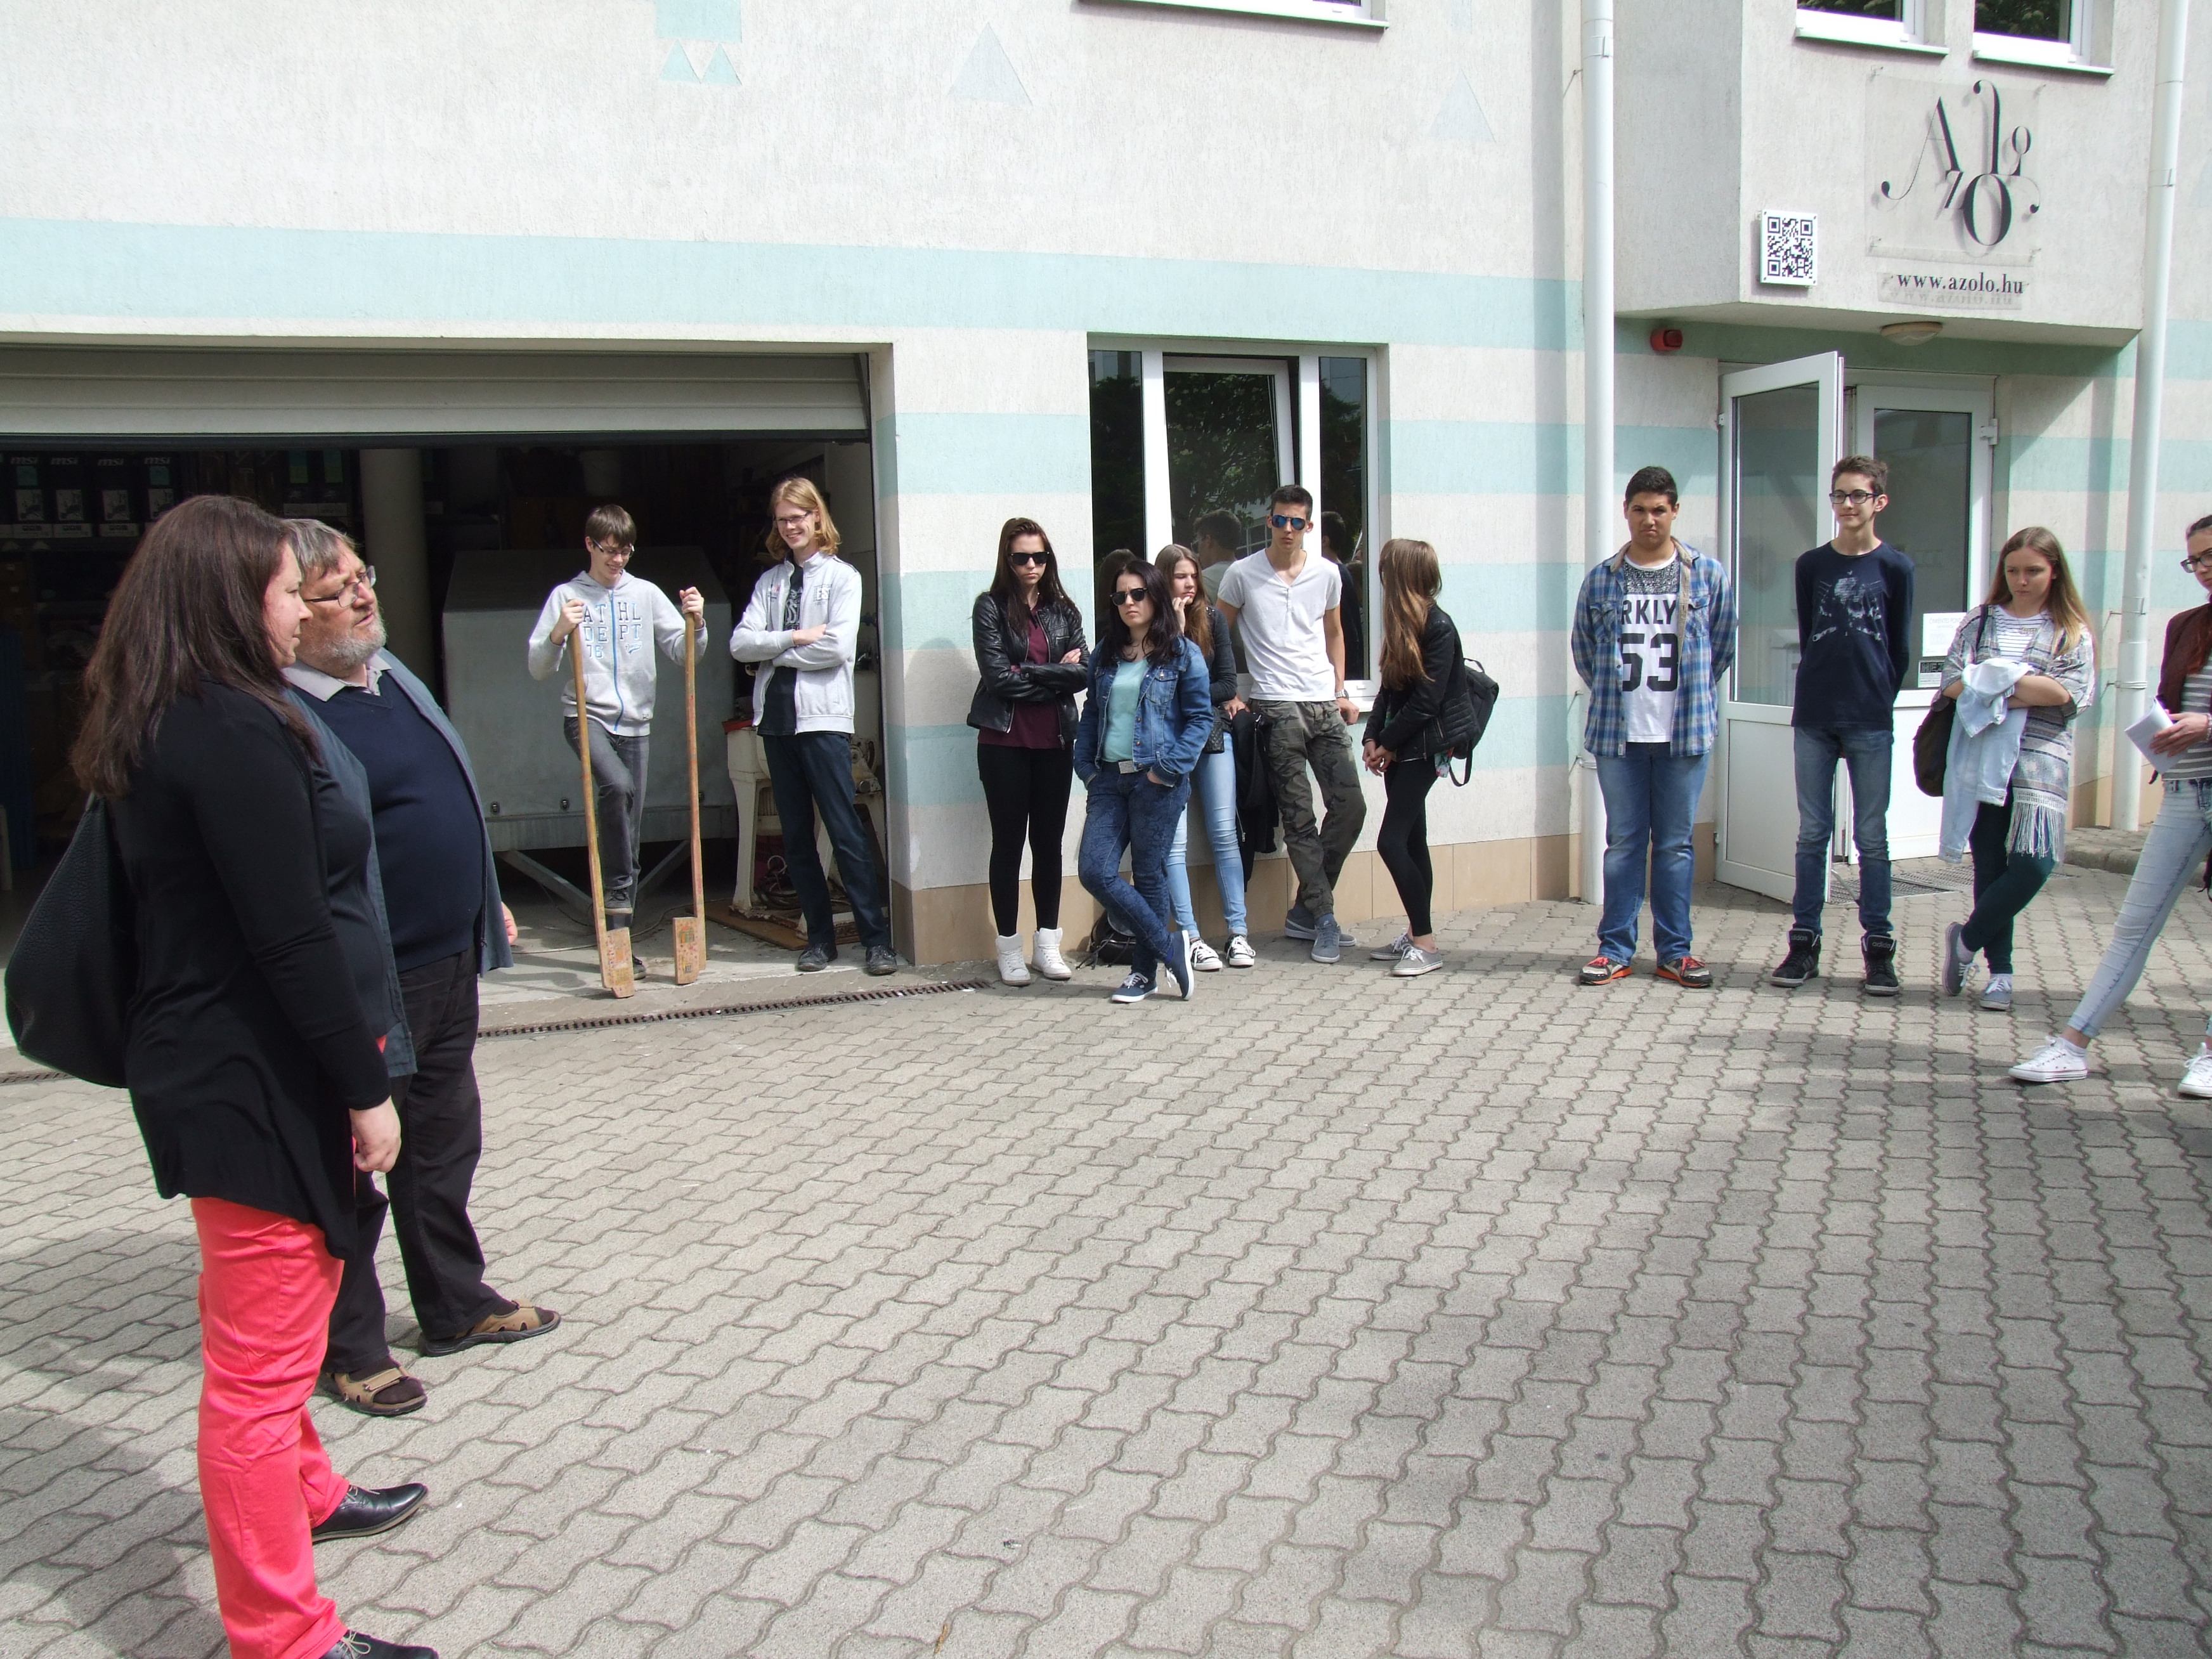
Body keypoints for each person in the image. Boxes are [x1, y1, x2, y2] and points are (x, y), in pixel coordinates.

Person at [74, 495, 436, 1659]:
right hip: (250, 1078)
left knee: (271, 1319)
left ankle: (309, 1494)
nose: (299, 609)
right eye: (286, 590)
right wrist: (366, 1089)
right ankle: (282, 1635)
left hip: (219, 1065)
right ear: (231, 599)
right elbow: (291, 939)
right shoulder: (231, 731)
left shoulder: (170, 714)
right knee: (258, 1375)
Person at [283, 520, 559, 1418]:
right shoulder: (282, 715)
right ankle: (350, 1347)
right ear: (288, 612)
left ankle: (453, 1304)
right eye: (336, 590)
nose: (364, 594)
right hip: (365, 986)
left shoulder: (389, 675)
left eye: (362, 575)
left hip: (444, 964)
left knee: (442, 1146)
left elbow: (445, 796)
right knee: (353, 1166)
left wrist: (482, 895)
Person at [2012, 512, 2212, 1090]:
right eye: (2194, 560)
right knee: (2135, 924)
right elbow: (2173, 701)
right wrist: (2165, 729)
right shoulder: (2186, 625)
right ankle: (2072, 1045)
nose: (2202, 569)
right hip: (2184, 791)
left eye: (2210, 557)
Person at [1570, 465, 1738, 987]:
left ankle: (1675, 952)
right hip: (1618, 734)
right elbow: (1584, 651)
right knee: (1623, 844)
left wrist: (1691, 694)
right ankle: (1615, 949)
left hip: (1683, 734)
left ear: (1675, 512)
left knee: (1675, 846)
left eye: (1659, 510)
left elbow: (1721, 646)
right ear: (1626, 511)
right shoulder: (1602, 579)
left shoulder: (1707, 575)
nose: (1650, 520)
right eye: (1640, 510)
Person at [731, 478, 897, 975]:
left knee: (845, 830)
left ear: (816, 516)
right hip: (776, 723)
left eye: (798, 516)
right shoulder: (770, 582)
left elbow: (837, 648)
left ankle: (876, 941)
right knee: (796, 837)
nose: (791, 526)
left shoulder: (843, 577)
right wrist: (795, 637)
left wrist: (773, 651)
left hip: (823, 721)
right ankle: (819, 940)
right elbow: (739, 644)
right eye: (782, 519)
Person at [525, 504, 704, 946]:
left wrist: (697, 623)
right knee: (618, 786)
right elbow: (538, 668)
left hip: (637, 724)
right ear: (589, 545)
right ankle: (616, 901)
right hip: (586, 715)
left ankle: (619, 934)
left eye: (625, 552)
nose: (617, 560)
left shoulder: (645, 593)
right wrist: (558, 633)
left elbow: (685, 653)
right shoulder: (567, 596)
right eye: (608, 551)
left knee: (631, 827)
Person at [1770, 455, 1915, 996]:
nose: (1848, 505)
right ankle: (1804, 943)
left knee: (1872, 837)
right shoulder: (1812, 565)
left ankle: (1879, 948)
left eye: (1858, 495)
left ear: (1879, 502)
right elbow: (1812, 635)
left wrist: (1876, 695)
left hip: (1869, 717)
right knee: (1813, 832)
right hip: (1815, 714)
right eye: (1840, 495)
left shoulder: (1896, 567)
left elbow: (1898, 646)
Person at [1935, 528, 2096, 1011]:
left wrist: (1992, 682)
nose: (2022, 581)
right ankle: (2000, 974)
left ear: (2054, 572)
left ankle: (1966, 941)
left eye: (2033, 571)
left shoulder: (2070, 629)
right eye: (2013, 571)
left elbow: (2069, 694)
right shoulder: (1981, 621)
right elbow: (1952, 682)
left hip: (2040, 762)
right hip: (1982, 757)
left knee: (2034, 866)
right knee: (1991, 866)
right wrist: (2024, 684)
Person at [1217, 485, 1367, 963]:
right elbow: (1216, 633)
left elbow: (1335, 632)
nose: (1287, 529)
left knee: (1351, 808)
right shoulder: (1242, 574)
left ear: (1309, 526)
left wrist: (1341, 690)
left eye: (1296, 522)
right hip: (1276, 708)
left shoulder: (1328, 573)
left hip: (1323, 704)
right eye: (1280, 520)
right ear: (1269, 521)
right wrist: (1228, 692)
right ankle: (1324, 919)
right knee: (1299, 820)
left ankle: (1306, 909)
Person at [1074, 560, 1214, 1005]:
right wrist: (1087, 768)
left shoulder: (1182, 653)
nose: (1129, 603)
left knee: (1150, 874)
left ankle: (1143, 974)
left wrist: (1166, 770)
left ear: (1155, 596)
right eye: (1121, 596)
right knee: (1094, 870)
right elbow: (1092, 713)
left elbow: (1200, 719)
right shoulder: (1106, 652)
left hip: (1157, 780)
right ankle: (1169, 946)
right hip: (1108, 779)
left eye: (1138, 594)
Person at [969, 517, 1088, 986]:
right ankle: (1009, 949)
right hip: (1004, 742)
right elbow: (998, 679)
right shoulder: (990, 607)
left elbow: (1084, 673)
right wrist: (1055, 672)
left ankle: (1047, 946)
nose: (1032, 565)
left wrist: (1032, 671)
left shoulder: (1064, 610)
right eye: (1022, 558)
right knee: (1008, 844)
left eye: (1040, 556)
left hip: (1055, 741)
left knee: (1048, 844)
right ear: (1008, 559)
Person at [1362, 538, 1469, 979]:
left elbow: (1427, 702)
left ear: (1403, 575)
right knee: (1412, 841)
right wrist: (1372, 737)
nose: (1381, 578)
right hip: (1400, 748)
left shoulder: (1438, 627)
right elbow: (1388, 691)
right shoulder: (1402, 625)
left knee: (1391, 842)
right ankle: (1416, 933)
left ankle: (1425, 944)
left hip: (1423, 750)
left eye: (1386, 571)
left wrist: (1387, 742)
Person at [1156, 544, 1255, 970]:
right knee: (1174, 843)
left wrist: (1191, 696)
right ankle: (1191, 938)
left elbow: (1227, 684)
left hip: (1213, 735)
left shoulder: (1212, 619)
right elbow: (1157, 686)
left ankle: (1238, 934)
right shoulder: (1152, 626)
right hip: (1168, 743)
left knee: (1224, 832)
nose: (1190, 583)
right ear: (1163, 579)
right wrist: (1177, 633)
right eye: (1181, 576)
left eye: (1194, 575)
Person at [1192, 509, 1244, 602]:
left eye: (1197, 544)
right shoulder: (1250, 575)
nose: (1198, 552)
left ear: (1208, 540)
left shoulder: (1201, 581)